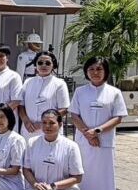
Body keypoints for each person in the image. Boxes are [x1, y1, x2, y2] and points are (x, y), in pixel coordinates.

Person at [69, 57, 127, 190]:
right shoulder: (80, 91)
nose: (95, 72)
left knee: (103, 175)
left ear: (106, 71)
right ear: (86, 72)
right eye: (91, 69)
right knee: (82, 172)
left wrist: (97, 131)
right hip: (84, 140)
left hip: (104, 141)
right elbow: (74, 115)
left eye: (99, 69)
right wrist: (87, 133)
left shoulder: (114, 92)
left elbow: (118, 117)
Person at [22, 109, 83, 190]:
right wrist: (35, 184)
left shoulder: (71, 146)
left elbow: (77, 177)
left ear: (60, 124)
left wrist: (53, 186)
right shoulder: (32, 143)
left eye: (51, 123)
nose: (47, 126)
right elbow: (26, 169)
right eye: (44, 122)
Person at [18, 51, 69, 140]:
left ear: (53, 65)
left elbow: (64, 109)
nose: (44, 65)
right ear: (35, 65)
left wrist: (44, 123)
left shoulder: (59, 84)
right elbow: (21, 106)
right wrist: (25, 121)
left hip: (50, 130)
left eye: (48, 63)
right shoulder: (28, 82)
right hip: (29, 130)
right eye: (40, 63)